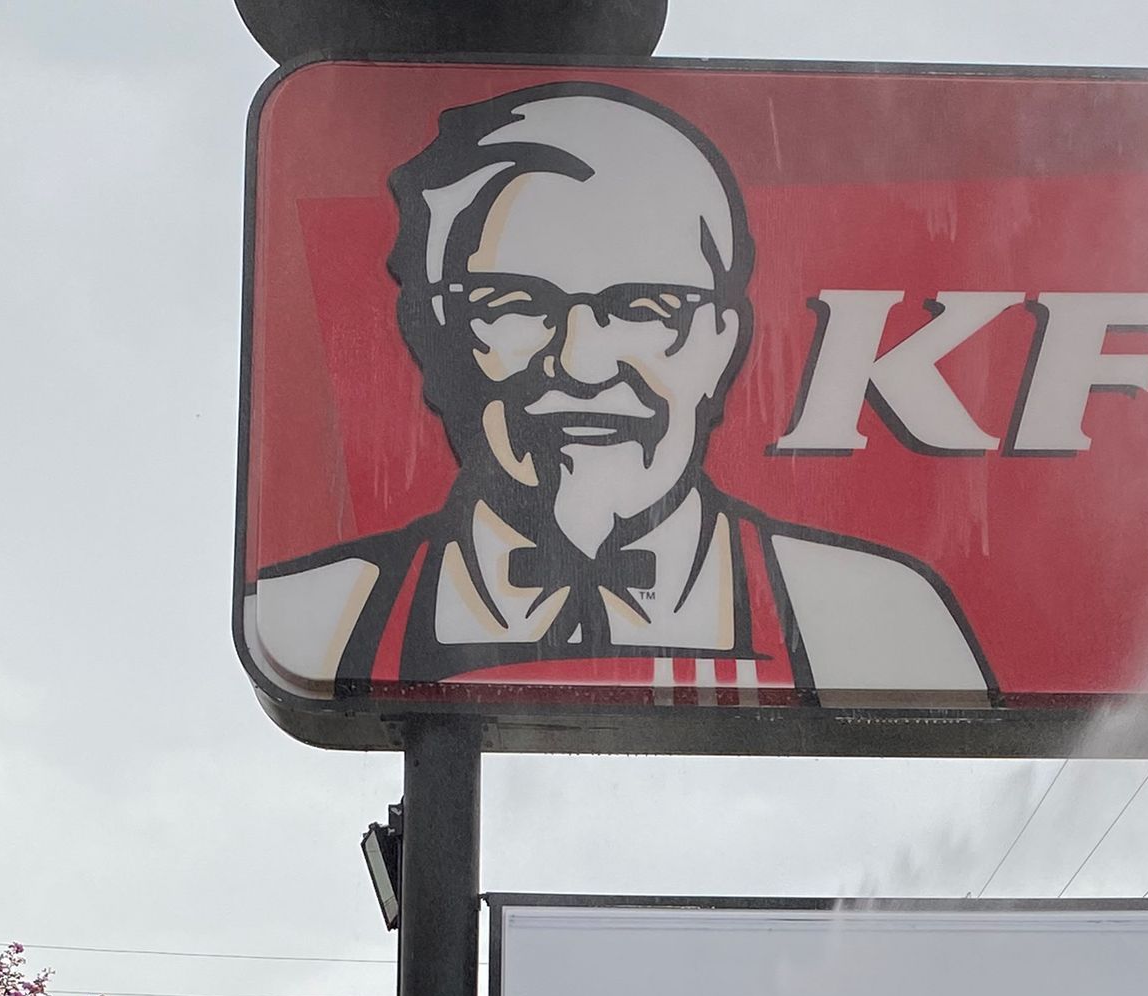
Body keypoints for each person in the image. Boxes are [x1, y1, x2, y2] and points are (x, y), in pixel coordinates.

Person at [245, 82, 993, 709]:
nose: (582, 360)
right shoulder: (320, 620)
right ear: (434, 335)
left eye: (645, 308)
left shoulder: (878, 621)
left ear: (723, 343)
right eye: (514, 304)